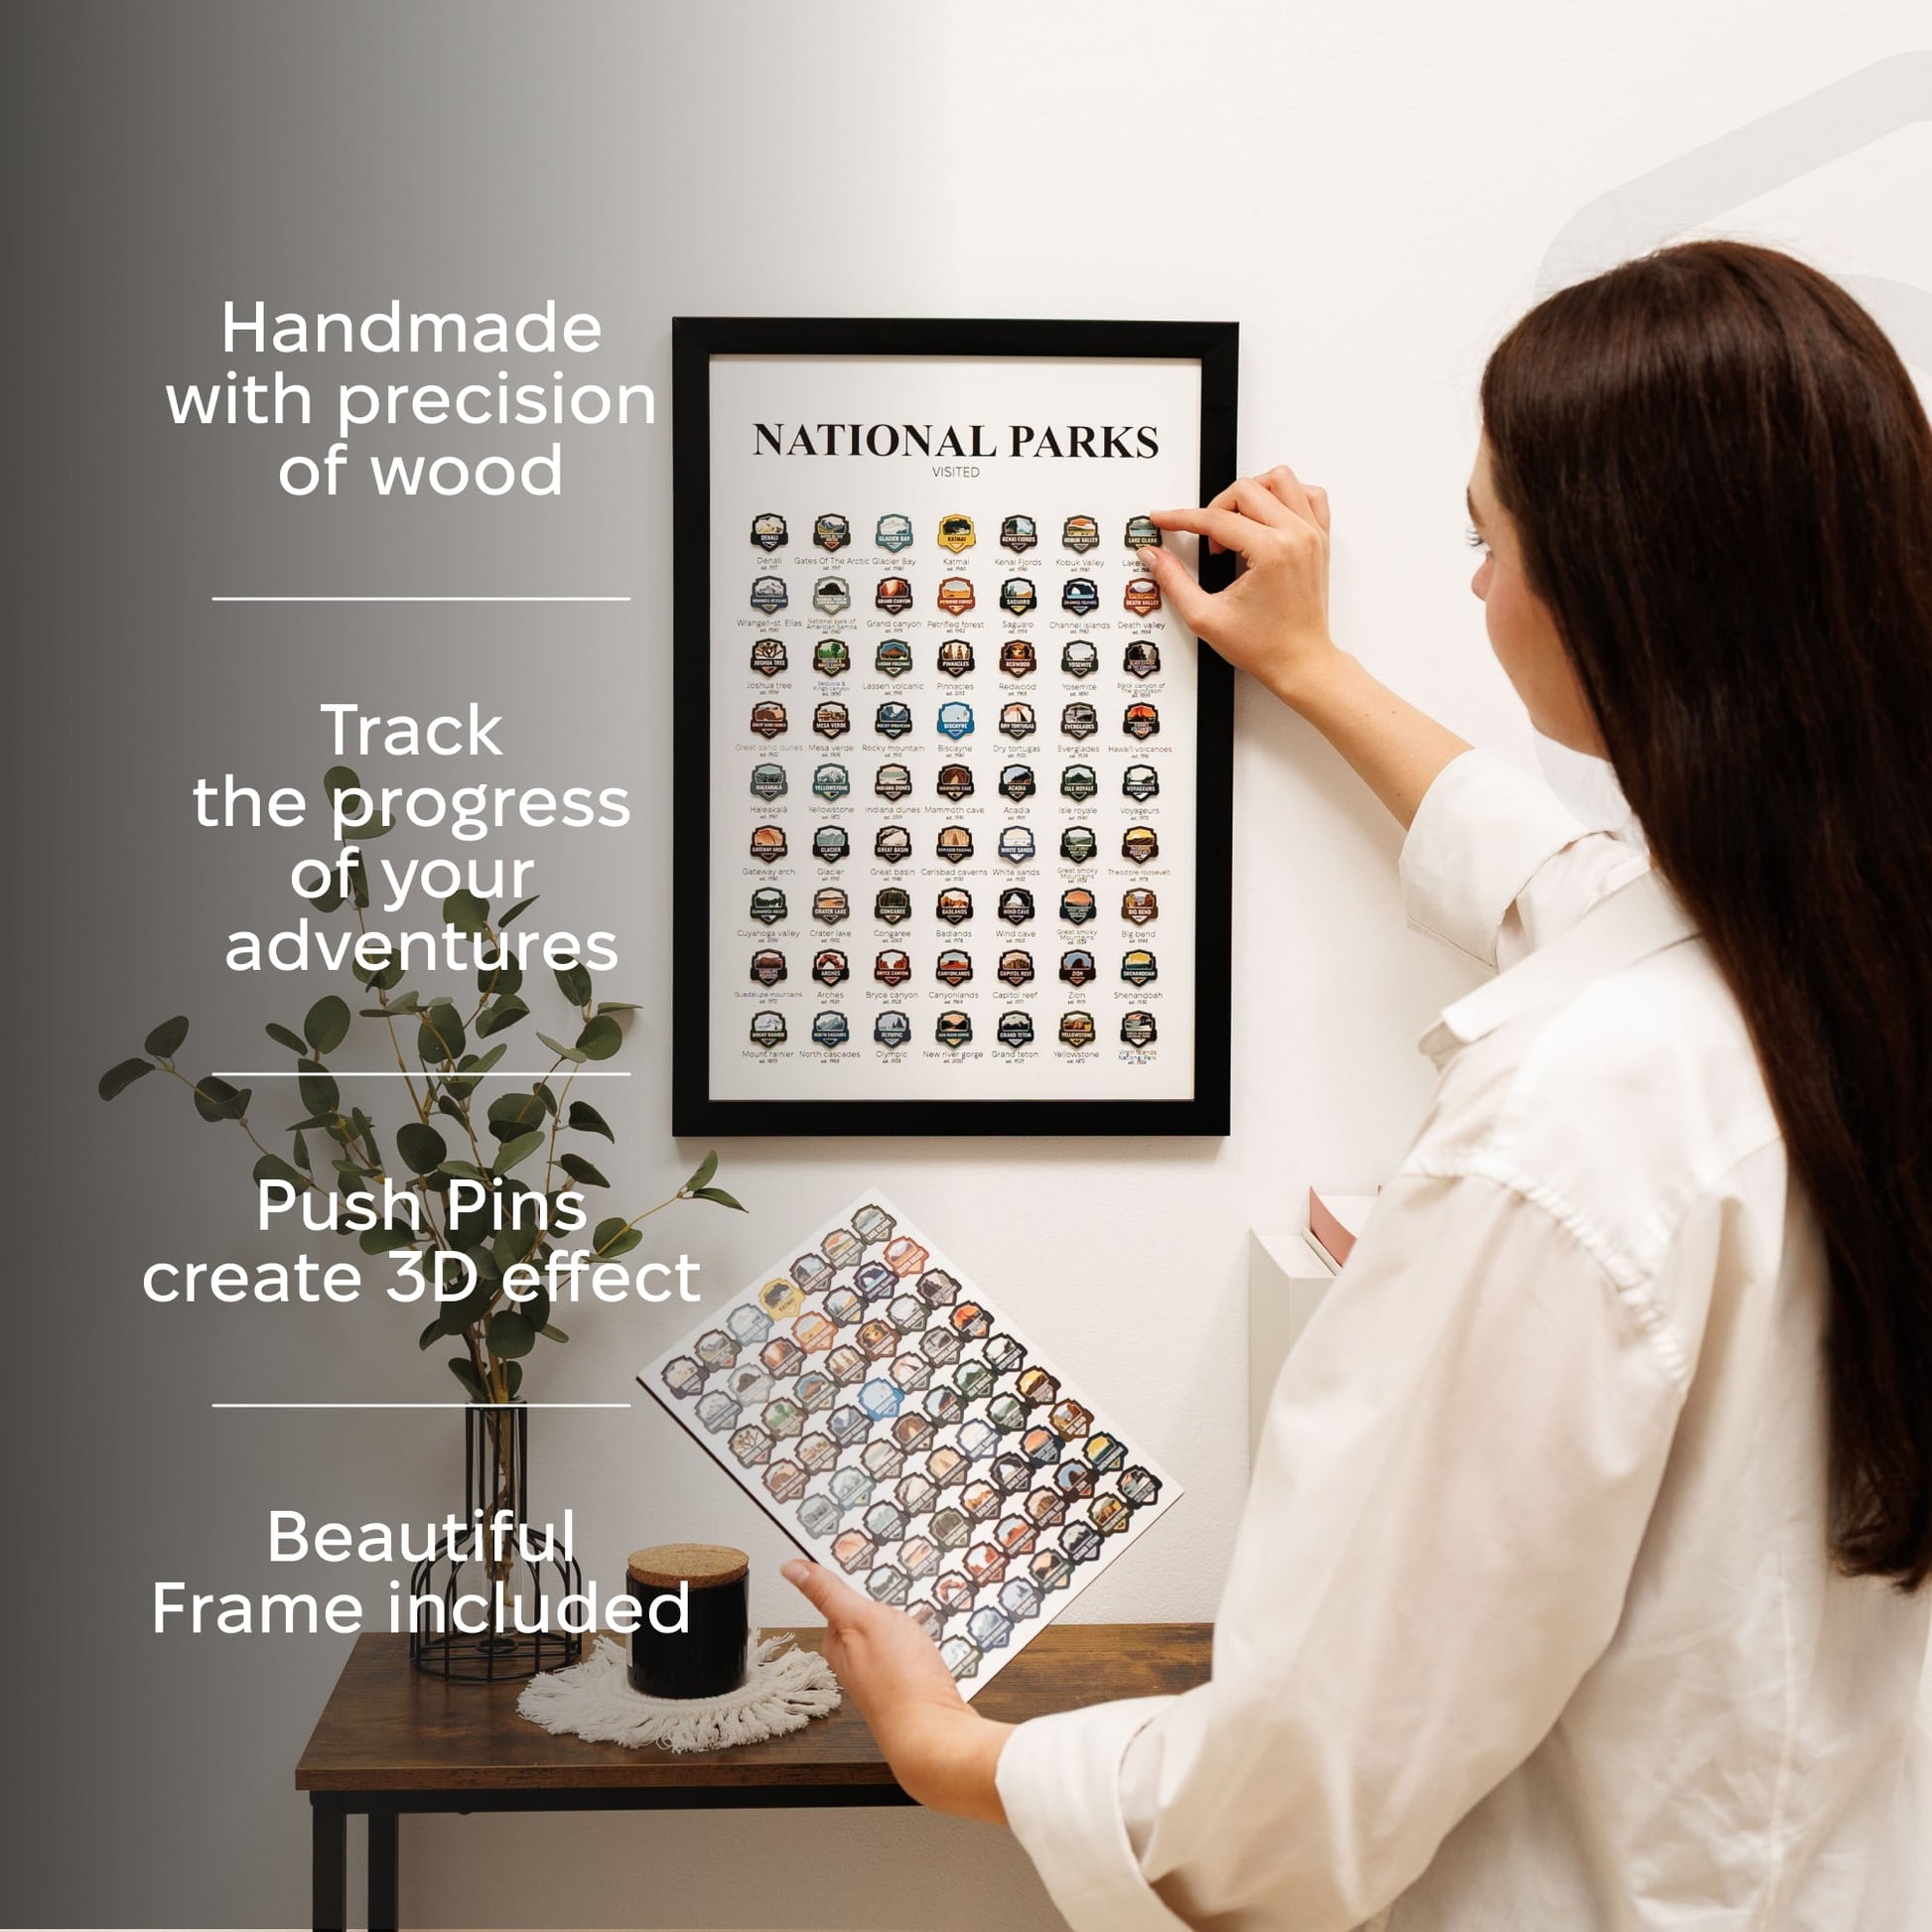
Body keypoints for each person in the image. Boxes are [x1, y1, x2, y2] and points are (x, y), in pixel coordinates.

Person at [784, 240, 1932, 1930]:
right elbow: (1560, 881)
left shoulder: (1576, 1112)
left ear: (1622, 591)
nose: (1472, 585)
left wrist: (955, 1750)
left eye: (1488, 536)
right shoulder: (1857, 953)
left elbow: (1303, 1784)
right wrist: (1308, 665)